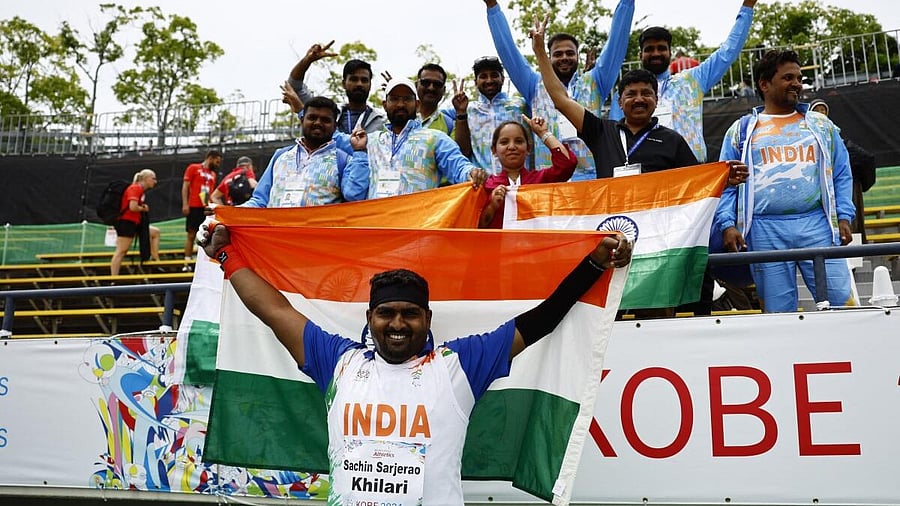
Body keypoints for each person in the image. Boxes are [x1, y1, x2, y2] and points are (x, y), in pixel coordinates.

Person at [200, 221, 632, 505]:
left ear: (427, 318)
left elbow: (541, 320)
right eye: (386, 313)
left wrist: (594, 264)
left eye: (410, 313)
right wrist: (226, 257)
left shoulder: (460, 364)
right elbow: (273, 310)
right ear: (369, 318)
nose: (397, 324)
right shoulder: (339, 362)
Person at [714, 50, 857, 313]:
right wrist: (727, 224)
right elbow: (725, 183)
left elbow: (841, 173)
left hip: (817, 224)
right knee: (778, 312)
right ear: (764, 84)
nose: (797, 84)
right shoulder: (741, 130)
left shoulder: (822, 125)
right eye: (788, 78)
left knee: (841, 303)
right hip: (764, 229)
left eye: (799, 78)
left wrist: (845, 216)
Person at [483, 0, 634, 180]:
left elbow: (617, 42)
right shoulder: (534, 85)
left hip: (592, 179)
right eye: (557, 54)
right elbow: (509, 53)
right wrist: (493, 8)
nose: (564, 58)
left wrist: (627, 3)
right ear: (549, 57)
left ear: (578, 56)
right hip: (550, 180)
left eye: (570, 53)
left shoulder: (595, 81)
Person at [532, 19, 700, 178]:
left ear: (656, 100)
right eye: (631, 94)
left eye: (646, 94)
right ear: (620, 102)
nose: (639, 99)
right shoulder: (602, 132)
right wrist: (540, 51)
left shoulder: (673, 140)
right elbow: (561, 100)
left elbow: (697, 181)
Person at [609, 0, 758, 162]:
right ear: (640, 55)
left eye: (661, 48)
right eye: (649, 49)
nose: (656, 53)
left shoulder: (692, 80)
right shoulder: (627, 94)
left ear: (670, 53)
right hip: (647, 171)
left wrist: (747, 8)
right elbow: (614, 138)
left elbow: (727, 52)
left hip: (691, 170)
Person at [351, 78, 487, 199]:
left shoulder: (435, 139)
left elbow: (457, 165)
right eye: (394, 99)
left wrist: (471, 172)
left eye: (407, 99)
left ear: (417, 105)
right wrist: (359, 152)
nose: (400, 104)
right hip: (377, 218)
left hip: (419, 218)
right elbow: (352, 193)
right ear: (385, 105)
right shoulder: (369, 141)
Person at [243, 96, 369, 208]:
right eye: (312, 117)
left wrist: (360, 152)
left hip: (318, 228)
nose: (318, 123)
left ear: (335, 126)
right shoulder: (280, 156)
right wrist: (232, 213)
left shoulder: (343, 161)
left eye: (325, 120)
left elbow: (354, 196)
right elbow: (260, 200)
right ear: (302, 120)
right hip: (276, 228)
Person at [480, 117, 576, 228]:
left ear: (528, 148)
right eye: (504, 142)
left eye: (519, 141)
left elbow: (567, 164)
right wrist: (492, 205)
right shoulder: (487, 186)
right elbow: (477, 226)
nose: (512, 147)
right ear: (494, 150)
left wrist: (543, 133)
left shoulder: (541, 180)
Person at [809, 98, 877, 242]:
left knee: (852, 233)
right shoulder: (808, 142)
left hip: (845, 194)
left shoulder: (839, 140)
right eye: (816, 110)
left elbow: (866, 160)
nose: (820, 113)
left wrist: (860, 185)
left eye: (823, 110)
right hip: (823, 199)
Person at [289, 41, 385, 134]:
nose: (359, 84)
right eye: (354, 79)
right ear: (343, 83)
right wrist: (307, 61)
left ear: (370, 84)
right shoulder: (325, 112)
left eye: (364, 80)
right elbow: (294, 87)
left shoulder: (381, 122)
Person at [453, 56, 528, 174]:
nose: (489, 80)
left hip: (519, 180)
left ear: (502, 79)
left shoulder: (520, 105)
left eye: (494, 75)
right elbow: (463, 151)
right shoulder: (469, 109)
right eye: (483, 76)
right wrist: (461, 113)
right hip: (483, 181)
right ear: (476, 82)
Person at [111, 169, 160, 276]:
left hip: (135, 223)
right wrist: (143, 208)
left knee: (155, 232)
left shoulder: (140, 191)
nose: (155, 181)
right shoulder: (135, 188)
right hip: (126, 222)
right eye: (153, 179)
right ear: (146, 179)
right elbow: (132, 207)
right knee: (121, 251)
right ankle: (114, 278)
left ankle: (155, 260)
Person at [182, 149, 221, 271]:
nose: (217, 165)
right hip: (194, 206)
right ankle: (187, 262)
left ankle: (203, 263)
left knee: (206, 235)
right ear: (210, 158)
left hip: (206, 208)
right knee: (191, 234)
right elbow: (185, 187)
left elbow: (211, 192)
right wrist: (185, 204)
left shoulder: (213, 174)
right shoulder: (193, 168)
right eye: (217, 162)